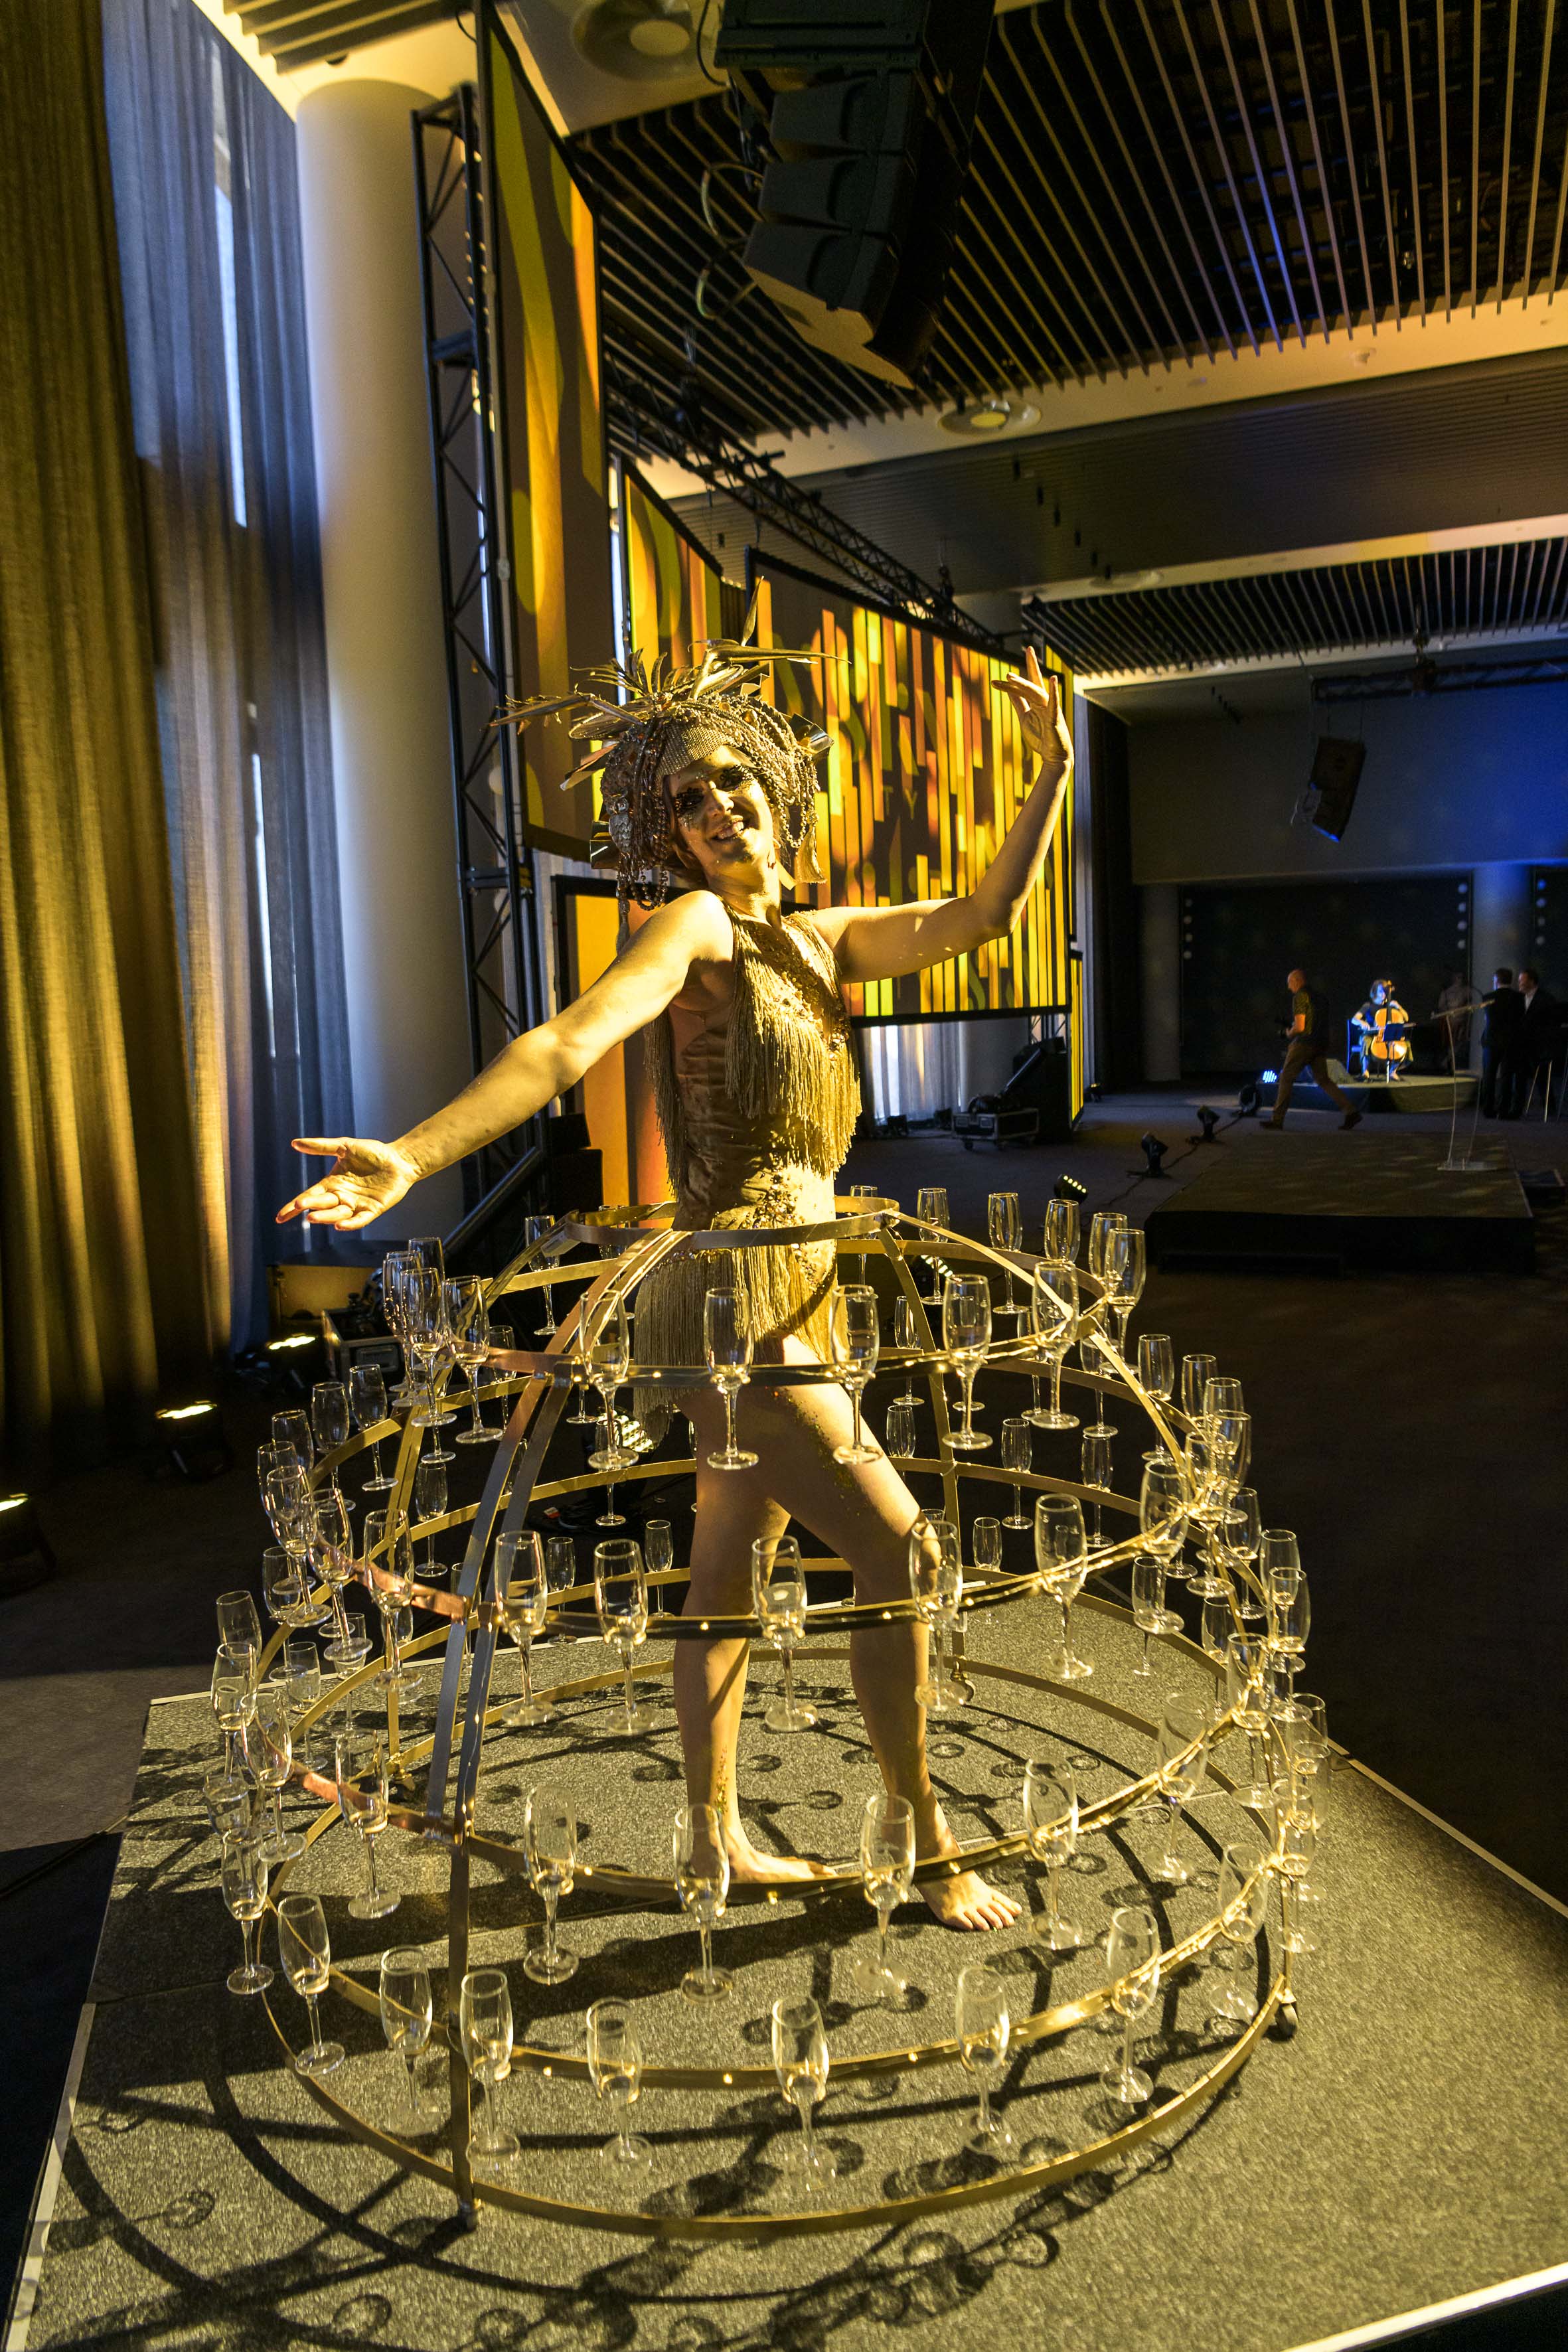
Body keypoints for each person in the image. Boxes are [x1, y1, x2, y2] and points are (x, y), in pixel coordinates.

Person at [279, 637, 1076, 1929]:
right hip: (734, 1302)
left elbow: (980, 917)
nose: (713, 810)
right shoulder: (693, 924)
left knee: (728, 1570)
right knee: (901, 1548)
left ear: (776, 785)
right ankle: (921, 1835)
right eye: (686, 800)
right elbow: (565, 1042)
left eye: (728, 782)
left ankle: (714, 1840)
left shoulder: (818, 940)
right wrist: (413, 1155)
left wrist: (1048, 772)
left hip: (799, 1287)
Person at [1266, 969, 1362, 1130]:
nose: (1289, 987)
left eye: (1289, 983)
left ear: (1297, 981)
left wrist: (1289, 1033)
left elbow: (1300, 1027)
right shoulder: (1321, 998)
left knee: (1286, 1077)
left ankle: (1277, 1119)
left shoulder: (1300, 996)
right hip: (1320, 1044)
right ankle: (1351, 1112)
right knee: (1324, 1081)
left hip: (1304, 1044)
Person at [1516, 968, 1563, 1115]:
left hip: (1539, 1046)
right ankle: (1517, 1108)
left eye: (1522, 981)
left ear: (1532, 981)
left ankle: (1550, 1108)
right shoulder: (1518, 998)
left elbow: (1553, 1021)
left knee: (1542, 1078)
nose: (1519, 984)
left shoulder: (1546, 999)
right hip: (1522, 1045)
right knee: (1520, 1077)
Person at [1480, 968, 1524, 1117]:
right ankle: (1503, 1110)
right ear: (1511, 980)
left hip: (1491, 1041)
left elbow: (1488, 1019)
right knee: (1507, 1076)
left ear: (1496, 981)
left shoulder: (1487, 998)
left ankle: (1488, 1109)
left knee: (1489, 1076)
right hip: (1511, 1041)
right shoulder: (1519, 998)